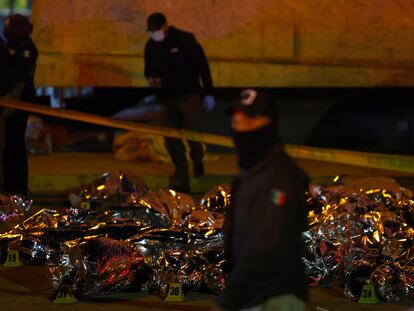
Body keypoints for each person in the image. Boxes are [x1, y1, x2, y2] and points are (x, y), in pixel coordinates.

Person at [219, 89, 309, 311]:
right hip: (251, 295)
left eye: (250, 121)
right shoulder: (248, 175)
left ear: (268, 124)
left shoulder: (281, 176)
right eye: (237, 121)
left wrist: (231, 295)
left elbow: (268, 240)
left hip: (274, 297)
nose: (241, 128)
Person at [144, 12, 215, 193]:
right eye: (152, 31)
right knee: (172, 141)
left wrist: (208, 91)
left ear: (165, 26)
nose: (155, 33)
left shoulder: (185, 39)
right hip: (167, 99)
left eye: (157, 29)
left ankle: (197, 160)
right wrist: (152, 80)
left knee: (193, 134)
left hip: (188, 95)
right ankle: (182, 180)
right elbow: (148, 70)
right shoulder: (151, 46)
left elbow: (202, 65)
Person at [2, 14, 38, 195]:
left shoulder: (27, 47)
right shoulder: (15, 47)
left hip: (19, 104)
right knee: (10, 145)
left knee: (15, 145)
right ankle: (12, 187)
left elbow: (20, 78)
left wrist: (11, 102)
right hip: (13, 104)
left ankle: (17, 189)